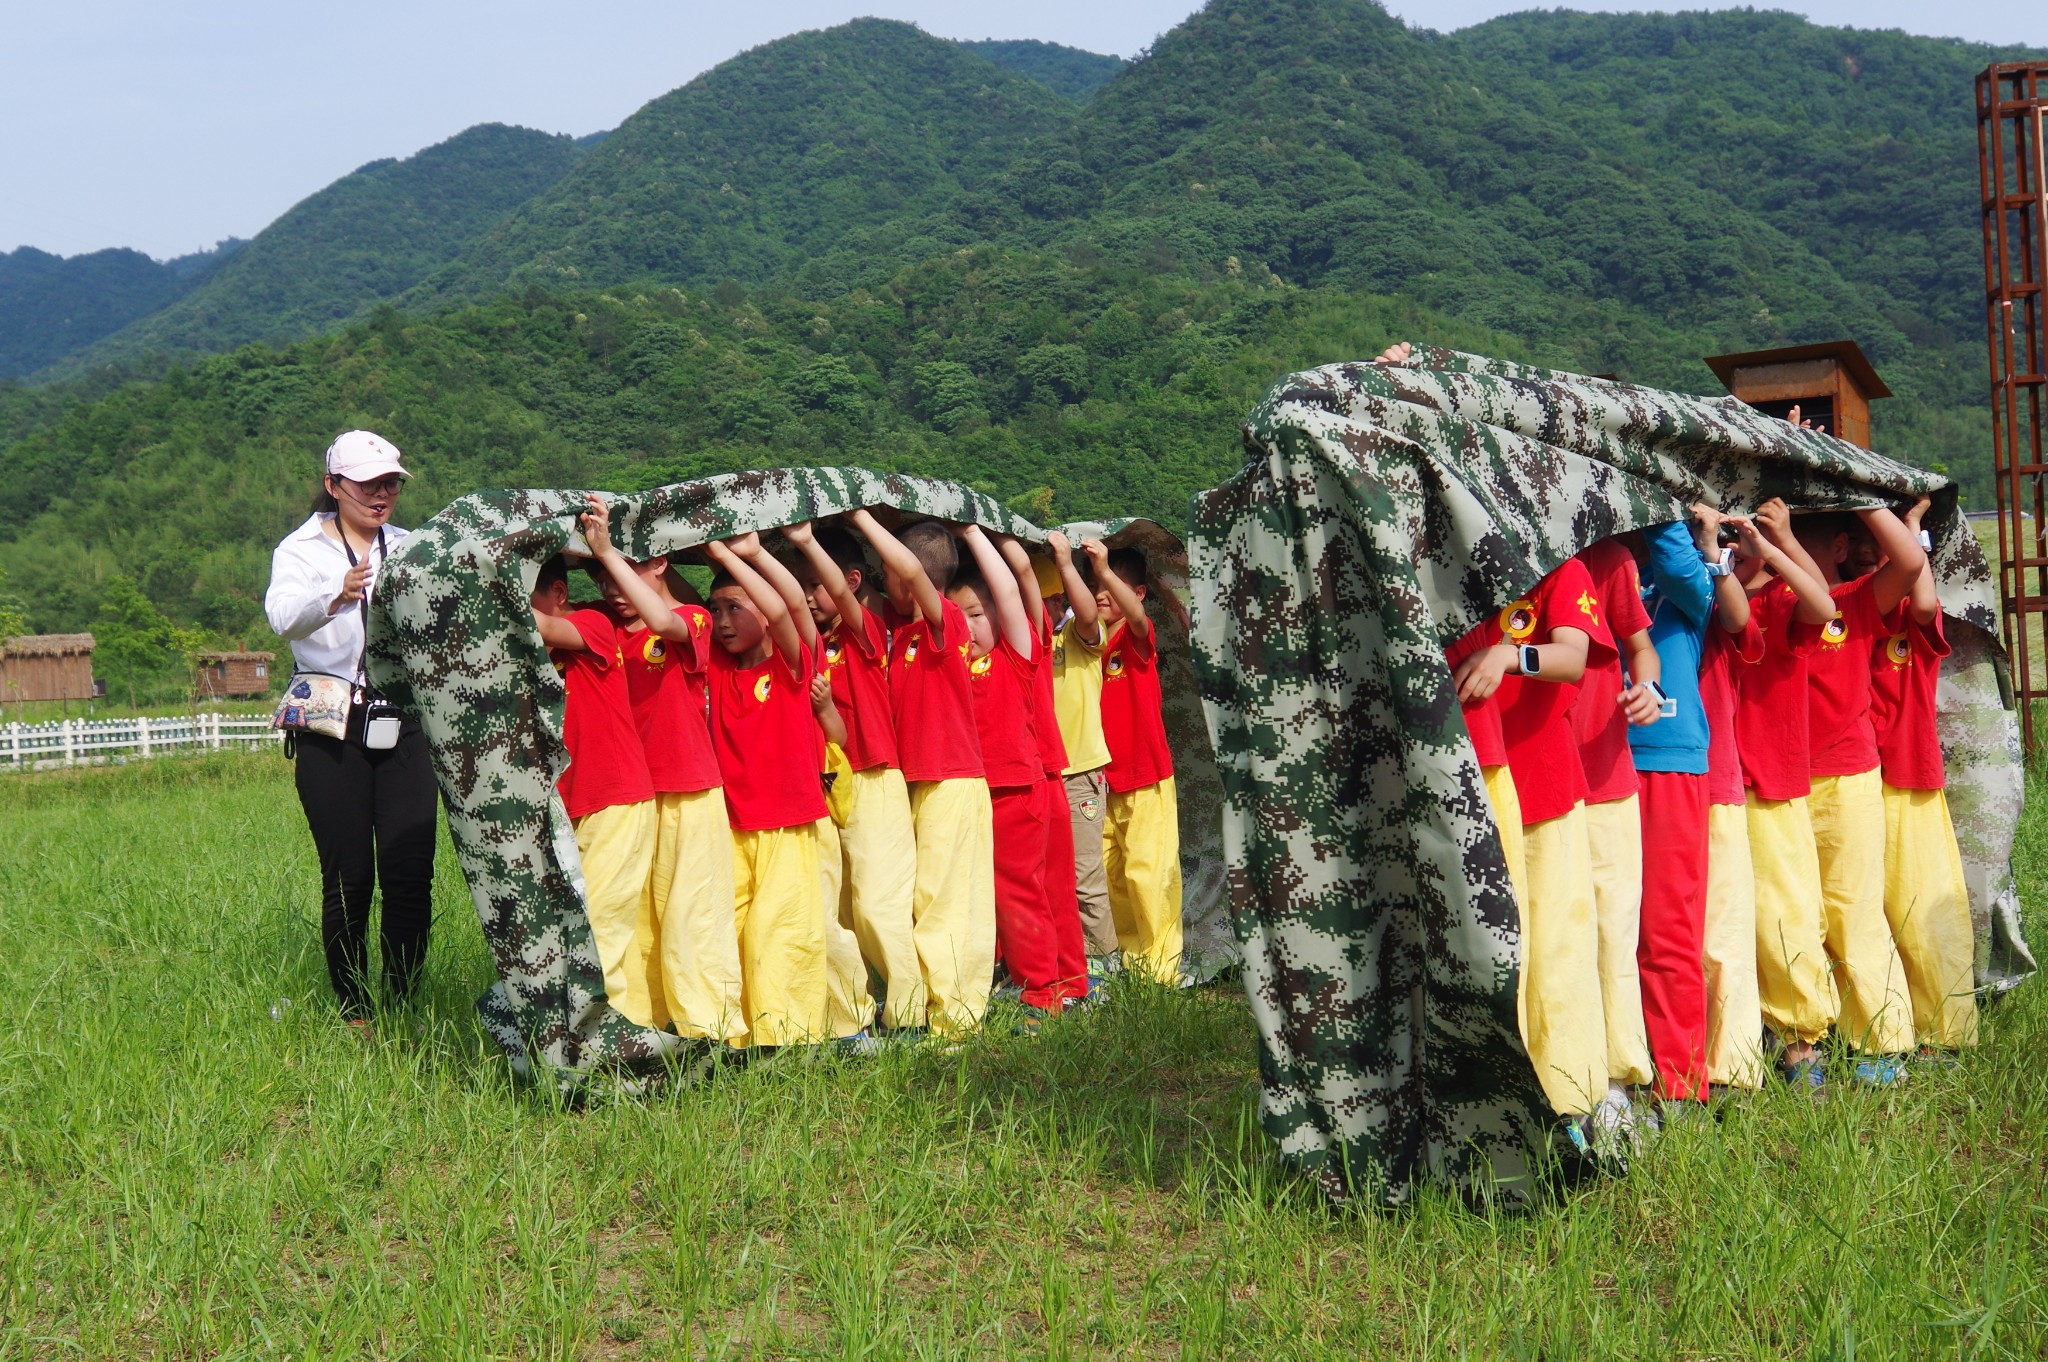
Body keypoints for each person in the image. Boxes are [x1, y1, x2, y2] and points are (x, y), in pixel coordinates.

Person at [265, 429, 439, 1023]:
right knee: (350, 875)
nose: (381, 494)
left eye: (390, 482)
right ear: (333, 486)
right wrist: (336, 594)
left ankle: (404, 1002)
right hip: (330, 721)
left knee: (410, 868)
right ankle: (355, 1010)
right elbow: (283, 617)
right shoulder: (300, 551)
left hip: (403, 718)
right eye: (367, 484)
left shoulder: (413, 547)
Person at [578, 496, 745, 1045]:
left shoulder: (692, 620)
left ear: (659, 564)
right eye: (601, 579)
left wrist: (606, 550)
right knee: (637, 920)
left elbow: (663, 618)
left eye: (623, 573)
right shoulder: (607, 632)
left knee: (694, 914)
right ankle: (638, 1027)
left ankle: (711, 1031)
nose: (611, 591)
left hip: (690, 791)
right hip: (634, 798)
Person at [1451, 557, 1608, 1127]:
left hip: (1543, 787)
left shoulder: (1558, 568)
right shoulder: (1435, 561)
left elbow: (1574, 656)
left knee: (1557, 947)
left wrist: (1508, 654)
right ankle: (1497, 1103)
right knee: (1487, 949)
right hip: (1466, 785)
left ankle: (1571, 1100)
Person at [1791, 505, 1926, 1081]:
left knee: (1853, 908)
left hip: (1847, 775)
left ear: (1842, 548)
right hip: (1775, 781)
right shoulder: (1761, 604)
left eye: (1800, 546)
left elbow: (1911, 561)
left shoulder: (1855, 602)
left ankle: (1881, 1042)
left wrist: (1868, 500)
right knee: (1794, 916)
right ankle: (1804, 1042)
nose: (1785, 560)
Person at [850, 509, 994, 1036]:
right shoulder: (901, 629)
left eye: (889, 571)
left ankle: (957, 1021)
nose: (886, 580)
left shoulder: (945, 621)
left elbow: (910, 572)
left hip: (953, 780)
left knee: (949, 903)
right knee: (921, 899)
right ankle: (923, 1011)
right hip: (919, 783)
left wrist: (863, 518)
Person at [784, 521, 923, 1033]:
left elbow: (839, 594)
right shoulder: (807, 643)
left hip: (873, 779)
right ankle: (854, 1018)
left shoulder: (864, 630)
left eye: (814, 585)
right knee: (835, 910)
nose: (809, 597)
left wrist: (805, 541)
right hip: (824, 785)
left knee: (879, 902)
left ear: (854, 580)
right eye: (800, 587)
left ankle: (910, 1015)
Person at [703, 533, 831, 1048]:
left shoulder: (790, 664)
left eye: (735, 607)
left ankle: (787, 1040)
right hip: (730, 826)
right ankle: (736, 1038)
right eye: (716, 610)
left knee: (777, 937)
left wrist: (741, 553)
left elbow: (789, 605)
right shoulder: (716, 665)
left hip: (786, 824)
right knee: (729, 935)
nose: (723, 621)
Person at [1864, 497, 1979, 1053]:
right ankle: (1889, 1027)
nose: (1878, 558)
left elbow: (1926, 596)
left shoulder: (1915, 616)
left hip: (1909, 780)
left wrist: (1911, 529)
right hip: (1858, 780)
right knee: (1871, 914)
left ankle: (1944, 1032)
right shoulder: (1846, 616)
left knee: (1922, 910)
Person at [1734, 498, 1841, 1090]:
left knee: (1785, 913)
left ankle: (1803, 1046)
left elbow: (1822, 603)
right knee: (1730, 916)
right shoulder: (1714, 587)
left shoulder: (1780, 599)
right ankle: (1751, 1037)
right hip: (1717, 776)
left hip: (1770, 777)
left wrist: (1772, 547)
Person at [530, 550, 660, 1027]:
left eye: (525, 594)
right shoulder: (531, 658)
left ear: (558, 595)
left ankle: (601, 1040)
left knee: (596, 931)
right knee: (590, 930)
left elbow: (542, 627)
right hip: (571, 809)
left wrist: (487, 593)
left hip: (616, 799)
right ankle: (632, 1030)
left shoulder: (594, 625)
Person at [1623, 517, 1719, 1109]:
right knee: (1608, 932)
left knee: (1666, 932)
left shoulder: (1682, 578)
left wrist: (1654, 497)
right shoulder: (1594, 563)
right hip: (1591, 761)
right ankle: (1619, 1078)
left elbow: (1683, 565)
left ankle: (1680, 1087)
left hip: (1666, 761)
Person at [949, 525, 1063, 1018]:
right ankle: (1000, 980)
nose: (966, 628)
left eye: (975, 615)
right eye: (958, 617)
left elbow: (1013, 589)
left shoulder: (1016, 657)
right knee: (974, 894)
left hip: (1015, 792)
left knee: (1019, 894)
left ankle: (1042, 993)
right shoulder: (949, 662)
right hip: (966, 793)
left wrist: (974, 534)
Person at [1569, 536, 1662, 1120]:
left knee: (1611, 934)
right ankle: (1560, 1077)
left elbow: (1640, 647)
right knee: (1553, 934)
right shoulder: (1490, 539)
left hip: (1604, 778)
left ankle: (1614, 1083)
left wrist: (1647, 686)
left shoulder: (1608, 559)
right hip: (1523, 780)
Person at [1082, 540, 1184, 985]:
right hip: (1102, 780)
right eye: (1094, 585)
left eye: (1112, 586)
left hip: (1145, 777)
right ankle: (1130, 963)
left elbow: (1139, 618)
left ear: (1137, 593)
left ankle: (1162, 973)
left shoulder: (1135, 635)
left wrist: (1103, 570)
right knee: (1112, 876)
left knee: (1150, 873)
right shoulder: (1088, 641)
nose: (1101, 593)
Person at [1696, 517, 1768, 1093]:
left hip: (1714, 777)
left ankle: (1733, 1069)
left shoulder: (1714, 578)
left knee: (1722, 932)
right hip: (1636, 780)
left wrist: (1714, 551)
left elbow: (1739, 613)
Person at [1003, 533, 1087, 1007]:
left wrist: (982, 536)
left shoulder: (1023, 647)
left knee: (1036, 886)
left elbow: (1022, 586)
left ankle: (1054, 985)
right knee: (1051, 885)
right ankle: (1068, 982)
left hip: (1034, 775)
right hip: (1042, 771)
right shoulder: (1017, 646)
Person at [1045, 532, 1121, 975]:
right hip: (1044, 772)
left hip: (1080, 771)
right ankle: (1064, 962)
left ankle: (1104, 968)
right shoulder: (1027, 638)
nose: (1055, 605)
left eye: (1059, 597)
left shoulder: (1078, 634)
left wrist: (1067, 564)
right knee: (1051, 875)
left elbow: (1090, 614)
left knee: (1084, 876)